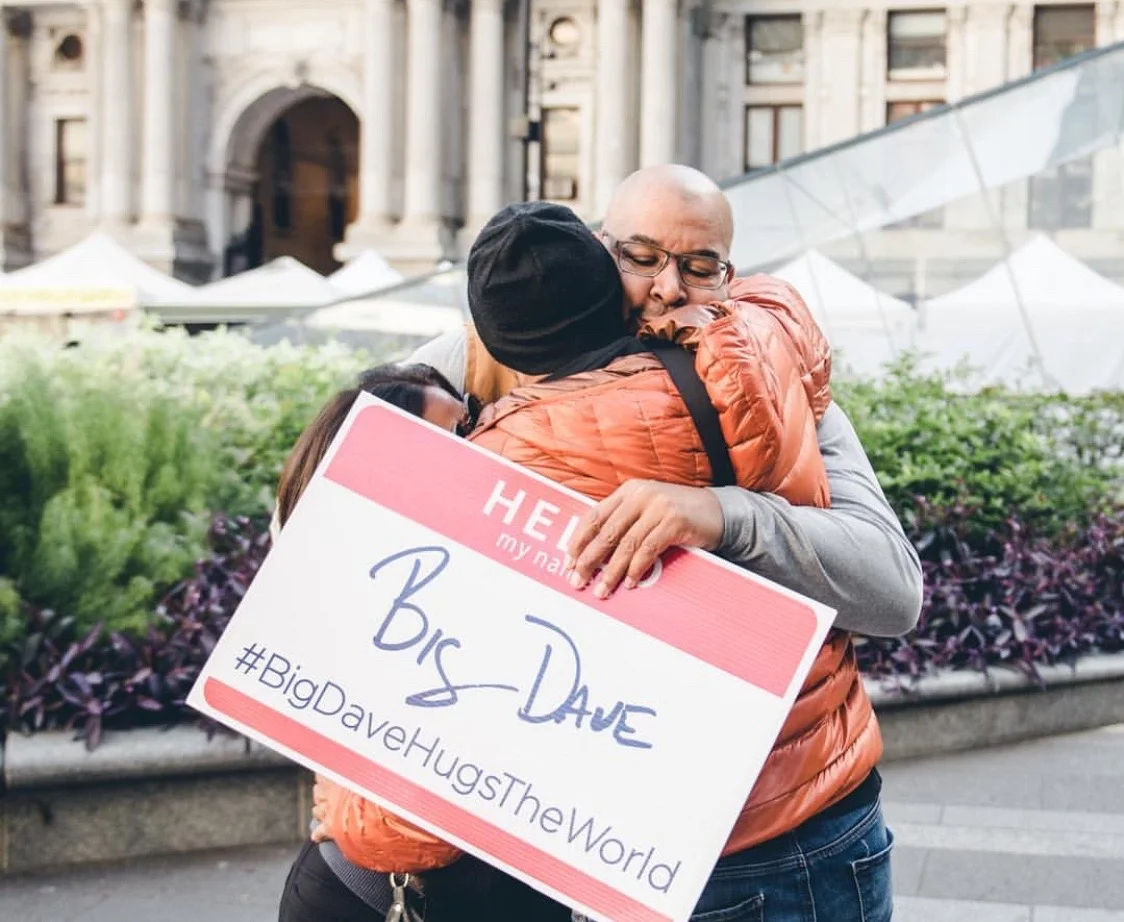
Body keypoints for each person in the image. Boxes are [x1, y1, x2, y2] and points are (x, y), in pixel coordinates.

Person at [405, 166, 922, 919]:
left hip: (781, 844)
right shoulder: (490, 352)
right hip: (599, 844)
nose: (668, 288)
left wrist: (720, 515)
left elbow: (893, 589)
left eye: (700, 266)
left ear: (730, 273)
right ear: (593, 248)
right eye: (639, 257)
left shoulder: (769, 368)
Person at [274, 363, 569, 922]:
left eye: (474, 425)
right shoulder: (365, 589)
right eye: (453, 439)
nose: (479, 447)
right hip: (365, 889)